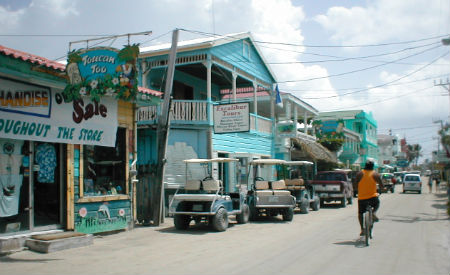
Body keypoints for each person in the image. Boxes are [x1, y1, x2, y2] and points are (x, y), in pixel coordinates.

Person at [355, 158, 384, 236]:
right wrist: (381, 190)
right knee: (377, 203)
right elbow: (381, 186)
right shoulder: (375, 174)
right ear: (373, 165)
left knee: (360, 213)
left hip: (362, 199)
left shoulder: (360, 173)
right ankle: (374, 213)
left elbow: (354, 185)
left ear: (365, 165)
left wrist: (357, 190)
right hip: (373, 198)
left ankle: (362, 229)